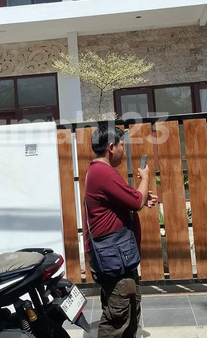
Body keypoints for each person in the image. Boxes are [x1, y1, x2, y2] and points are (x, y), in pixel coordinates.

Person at [84, 124, 159, 337]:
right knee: (118, 315)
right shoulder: (104, 172)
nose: (123, 151)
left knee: (130, 307)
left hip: (119, 255)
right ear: (111, 147)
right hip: (113, 257)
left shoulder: (99, 171)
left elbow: (128, 200)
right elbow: (135, 201)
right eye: (122, 146)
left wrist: (142, 198)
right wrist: (145, 177)